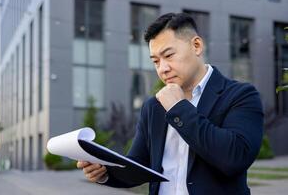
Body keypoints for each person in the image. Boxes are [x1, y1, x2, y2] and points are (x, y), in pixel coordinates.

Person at [77, 12, 263, 195]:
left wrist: (178, 109)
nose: (162, 69)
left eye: (169, 55)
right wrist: (104, 171)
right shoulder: (153, 106)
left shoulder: (241, 95)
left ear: (196, 46)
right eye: (156, 61)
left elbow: (235, 158)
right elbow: (140, 165)